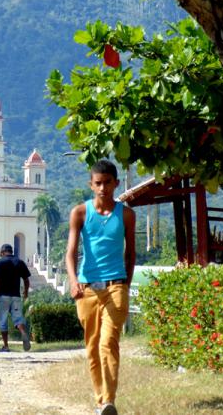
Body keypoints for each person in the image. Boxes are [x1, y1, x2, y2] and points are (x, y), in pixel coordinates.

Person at [65, 159, 136, 415]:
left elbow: (131, 254)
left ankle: (109, 402)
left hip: (116, 286)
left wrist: (125, 285)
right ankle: (100, 402)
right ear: (91, 185)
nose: (103, 188)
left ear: (116, 183)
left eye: (108, 183)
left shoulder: (126, 214)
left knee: (109, 342)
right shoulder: (80, 213)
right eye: (98, 183)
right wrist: (73, 281)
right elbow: (71, 252)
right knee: (93, 347)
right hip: (86, 289)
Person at [0, 244, 31, 352]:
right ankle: (23, 333)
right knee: (18, 319)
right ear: (11, 251)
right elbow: (26, 280)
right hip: (16, 296)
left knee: (3, 320)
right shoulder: (19, 262)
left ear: (2, 252)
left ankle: (6, 346)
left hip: (3, 297)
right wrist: (26, 292)